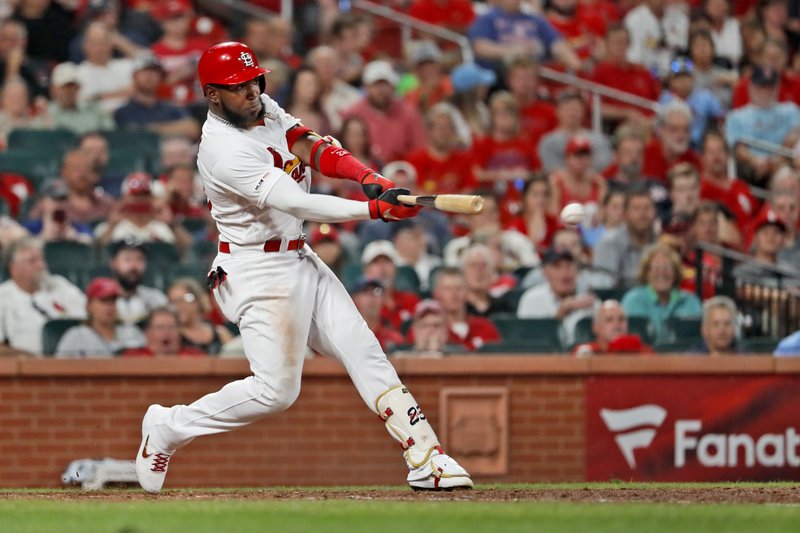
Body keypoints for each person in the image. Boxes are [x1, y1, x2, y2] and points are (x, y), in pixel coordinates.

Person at [134, 42, 472, 494]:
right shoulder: (221, 148)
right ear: (212, 95)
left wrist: (368, 177)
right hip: (255, 269)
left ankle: (427, 457)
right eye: (238, 87)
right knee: (276, 392)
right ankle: (169, 427)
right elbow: (297, 201)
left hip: (297, 255)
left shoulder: (259, 108)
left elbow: (306, 143)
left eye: (255, 81)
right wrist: (373, 210)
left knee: (364, 351)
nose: (252, 92)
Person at [0, 238, 86, 355]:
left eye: (42, 259)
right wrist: (28, 358)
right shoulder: (3, 297)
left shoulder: (59, 285)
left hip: (74, 360)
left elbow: (89, 315)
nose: (41, 265)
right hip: (27, 367)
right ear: (14, 268)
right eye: (32, 261)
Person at [726, 65, 800, 188]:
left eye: (770, 86)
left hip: (786, 163)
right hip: (753, 170)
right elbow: (738, 148)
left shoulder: (791, 110)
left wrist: (776, 161)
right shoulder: (736, 116)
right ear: (751, 87)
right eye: (761, 86)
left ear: (777, 87)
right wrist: (756, 161)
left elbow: (795, 136)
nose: (766, 91)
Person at [341, 60, 428, 163]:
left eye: (384, 84)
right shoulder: (352, 113)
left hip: (399, 171)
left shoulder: (408, 112)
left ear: (393, 86)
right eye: (376, 85)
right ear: (366, 87)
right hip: (362, 170)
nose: (380, 90)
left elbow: (419, 148)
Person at [621, 244, 703, 343]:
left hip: (682, 356)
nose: (662, 272)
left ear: (675, 272)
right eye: (655, 267)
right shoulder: (633, 301)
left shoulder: (691, 301)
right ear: (646, 273)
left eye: (667, 267)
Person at [468, 0, 581, 71]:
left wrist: (575, 64)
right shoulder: (487, 18)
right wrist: (515, 50)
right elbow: (480, 48)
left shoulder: (535, 19)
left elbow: (557, 44)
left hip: (535, 70)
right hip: (499, 72)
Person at [517, 249, 597, 347]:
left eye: (569, 266)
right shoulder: (532, 299)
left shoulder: (588, 299)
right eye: (557, 267)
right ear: (545, 272)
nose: (565, 273)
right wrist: (561, 312)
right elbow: (526, 340)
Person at [113, 56, 201, 140]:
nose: (149, 75)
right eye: (144, 71)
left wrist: (152, 130)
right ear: (134, 76)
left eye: (154, 71)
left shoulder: (171, 108)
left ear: (160, 77)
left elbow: (192, 128)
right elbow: (127, 137)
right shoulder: (124, 111)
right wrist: (173, 129)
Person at [55, 277, 145, 357]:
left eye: (113, 300)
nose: (109, 306)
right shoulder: (76, 336)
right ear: (89, 305)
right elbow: (57, 370)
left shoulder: (132, 333)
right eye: (104, 300)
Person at [592, 185, 658, 287]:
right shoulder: (609, 242)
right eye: (636, 208)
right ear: (625, 213)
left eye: (647, 208)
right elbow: (603, 287)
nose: (642, 214)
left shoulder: (661, 243)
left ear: (655, 212)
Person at [538, 91, 613, 174]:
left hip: (592, 182)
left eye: (576, 109)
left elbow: (604, 164)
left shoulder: (597, 139)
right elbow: (551, 168)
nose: (572, 113)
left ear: (583, 112)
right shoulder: (548, 142)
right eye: (568, 109)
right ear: (557, 111)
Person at [430, 266, 502, 351]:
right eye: (448, 289)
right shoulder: (428, 328)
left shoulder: (485, 327)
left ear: (467, 292)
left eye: (459, 288)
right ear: (437, 293)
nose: (454, 294)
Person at [109, 238, 168, 325]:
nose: (134, 266)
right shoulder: (101, 300)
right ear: (114, 263)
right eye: (127, 259)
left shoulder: (156, 299)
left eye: (140, 259)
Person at [167, 278, 233, 355]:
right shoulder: (171, 336)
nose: (177, 307)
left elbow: (235, 357)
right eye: (173, 302)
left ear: (197, 300)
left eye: (182, 300)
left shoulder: (220, 333)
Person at [44, 61, 115, 134]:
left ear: (78, 87)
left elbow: (110, 133)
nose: (68, 92)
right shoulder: (46, 113)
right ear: (53, 89)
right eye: (63, 87)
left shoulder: (94, 111)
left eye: (72, 86)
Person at [572, 299, 653, 356]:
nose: (617, 324)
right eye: (609, 320)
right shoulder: (586, 352)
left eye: (621, 319)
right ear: (596, 327)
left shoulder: (643, 351)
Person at [122, 306, 206, 357]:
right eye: (159, 327)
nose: (166, 332)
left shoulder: (195, 357)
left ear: (180, 332)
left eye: (171, 327)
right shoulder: (133, 358)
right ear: (148, 333)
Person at [350, 277, 406, 353]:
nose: (371, 296)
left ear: (383, 298)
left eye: (377, 291)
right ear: (355, 298)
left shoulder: (394, 339)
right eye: (365, 292)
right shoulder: (349, 335)